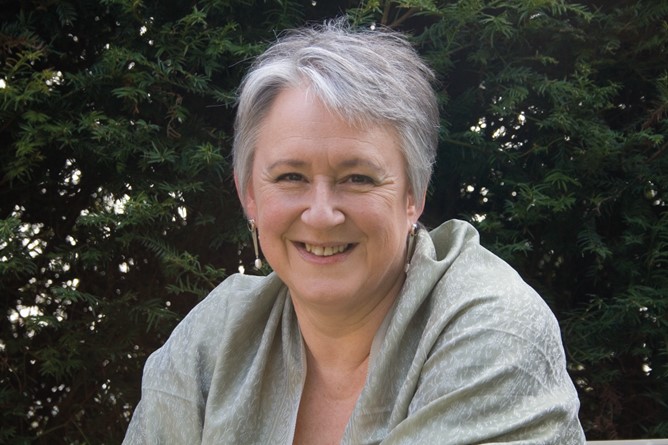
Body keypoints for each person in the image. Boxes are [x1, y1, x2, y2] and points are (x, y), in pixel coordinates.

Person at [123, 19, 586, 444]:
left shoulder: (494, 331)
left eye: (358, 178)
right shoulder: (215, 336)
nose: (322, 215)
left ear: (413, 196)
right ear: (249, 195)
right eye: (290, 177)